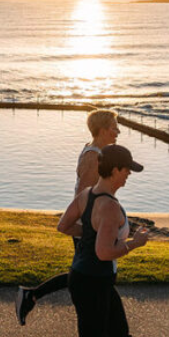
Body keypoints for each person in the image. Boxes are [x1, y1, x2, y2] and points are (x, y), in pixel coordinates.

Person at [10, 145, 149, 337]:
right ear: (115, 170)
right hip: (94, 283)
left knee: (119, 334)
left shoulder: (87, 195)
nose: (128, 175)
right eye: (127, 170)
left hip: (87, 278)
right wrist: (135, 243)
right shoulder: (111, 208)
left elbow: (63, 225)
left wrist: (93, 234)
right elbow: (104, 252)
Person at [15, 109, 120, 325]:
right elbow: (85, 194)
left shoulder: (97, 152)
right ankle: (33, 295)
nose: (118, 131)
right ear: (102, 130)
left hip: (92, 223)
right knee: (92, 275)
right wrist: (94, 226)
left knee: (95, 274)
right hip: (88, 225)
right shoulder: (94, 157)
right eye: (113, 127)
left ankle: (116, 327)